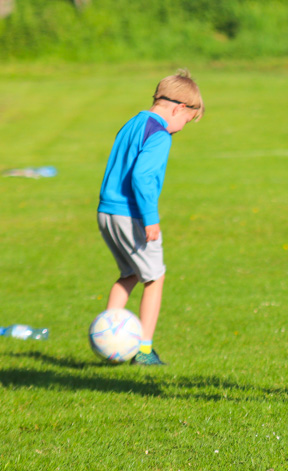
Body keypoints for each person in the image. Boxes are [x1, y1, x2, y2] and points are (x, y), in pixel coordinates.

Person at [97, 70, 204, 366]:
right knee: (155, 277)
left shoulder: (133, 123)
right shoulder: (158, 134)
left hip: (107, 212)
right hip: (131, 214)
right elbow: (143, 177)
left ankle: (108, 343)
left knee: (129, 274)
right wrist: (150, 219)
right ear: (178, 108)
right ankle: (143, 350)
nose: (181, 128)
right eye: (186, 120)